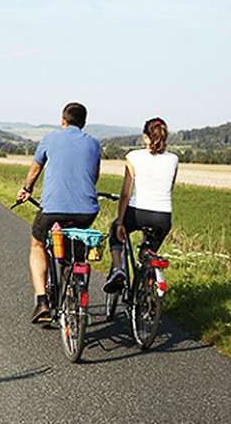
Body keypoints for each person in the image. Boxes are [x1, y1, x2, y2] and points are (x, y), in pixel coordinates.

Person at [18, 102, 101, 323]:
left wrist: (27, 189)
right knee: (77, 250)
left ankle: (42, 301)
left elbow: (35, 169)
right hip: (86, 210)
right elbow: (94, 176)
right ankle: (74, 287)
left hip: (53, 209)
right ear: (83, 124)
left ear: (63, 121)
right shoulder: (94, 143)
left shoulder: (49, 138)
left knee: (37, 245)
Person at [103, 117, 179, 293]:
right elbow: (169, 187)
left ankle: (118, 269)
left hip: (137, 213)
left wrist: (121, 222)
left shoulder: (133, 157)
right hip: (163, 217)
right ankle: (143, 290)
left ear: (145, 136)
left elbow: (125, 193)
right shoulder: (174, 159)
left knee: (115, 229)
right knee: (148, 253)